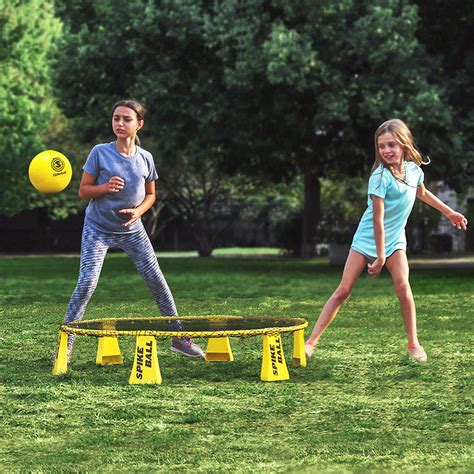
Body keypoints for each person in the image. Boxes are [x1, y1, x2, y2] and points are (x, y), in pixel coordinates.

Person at [305, 118, 468, 363]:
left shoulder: (414, 170)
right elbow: (377, 221)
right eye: (382, 146)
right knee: (344, 290)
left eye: (391, 145)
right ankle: (310, 343)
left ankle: (414, 345)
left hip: (394, 241)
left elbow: (421, 193)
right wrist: (379, 256)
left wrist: (449, 212)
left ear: (403, 144)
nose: (386, 151)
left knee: (404, 288)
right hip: (367, 238)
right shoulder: (379, 178)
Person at [55, 99, 204, 362]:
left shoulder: (146, 158)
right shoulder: (100, 152)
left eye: (126, 119)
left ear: (139, 124)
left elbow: (150, 195)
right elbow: (83, 191)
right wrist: (104, 188)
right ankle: (65, 344)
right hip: (98, 228)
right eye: (116, 118)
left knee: (157, 281)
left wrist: (138, 212)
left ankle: (179, 338)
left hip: (133, 231)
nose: (120, 123)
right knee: (87, 283)